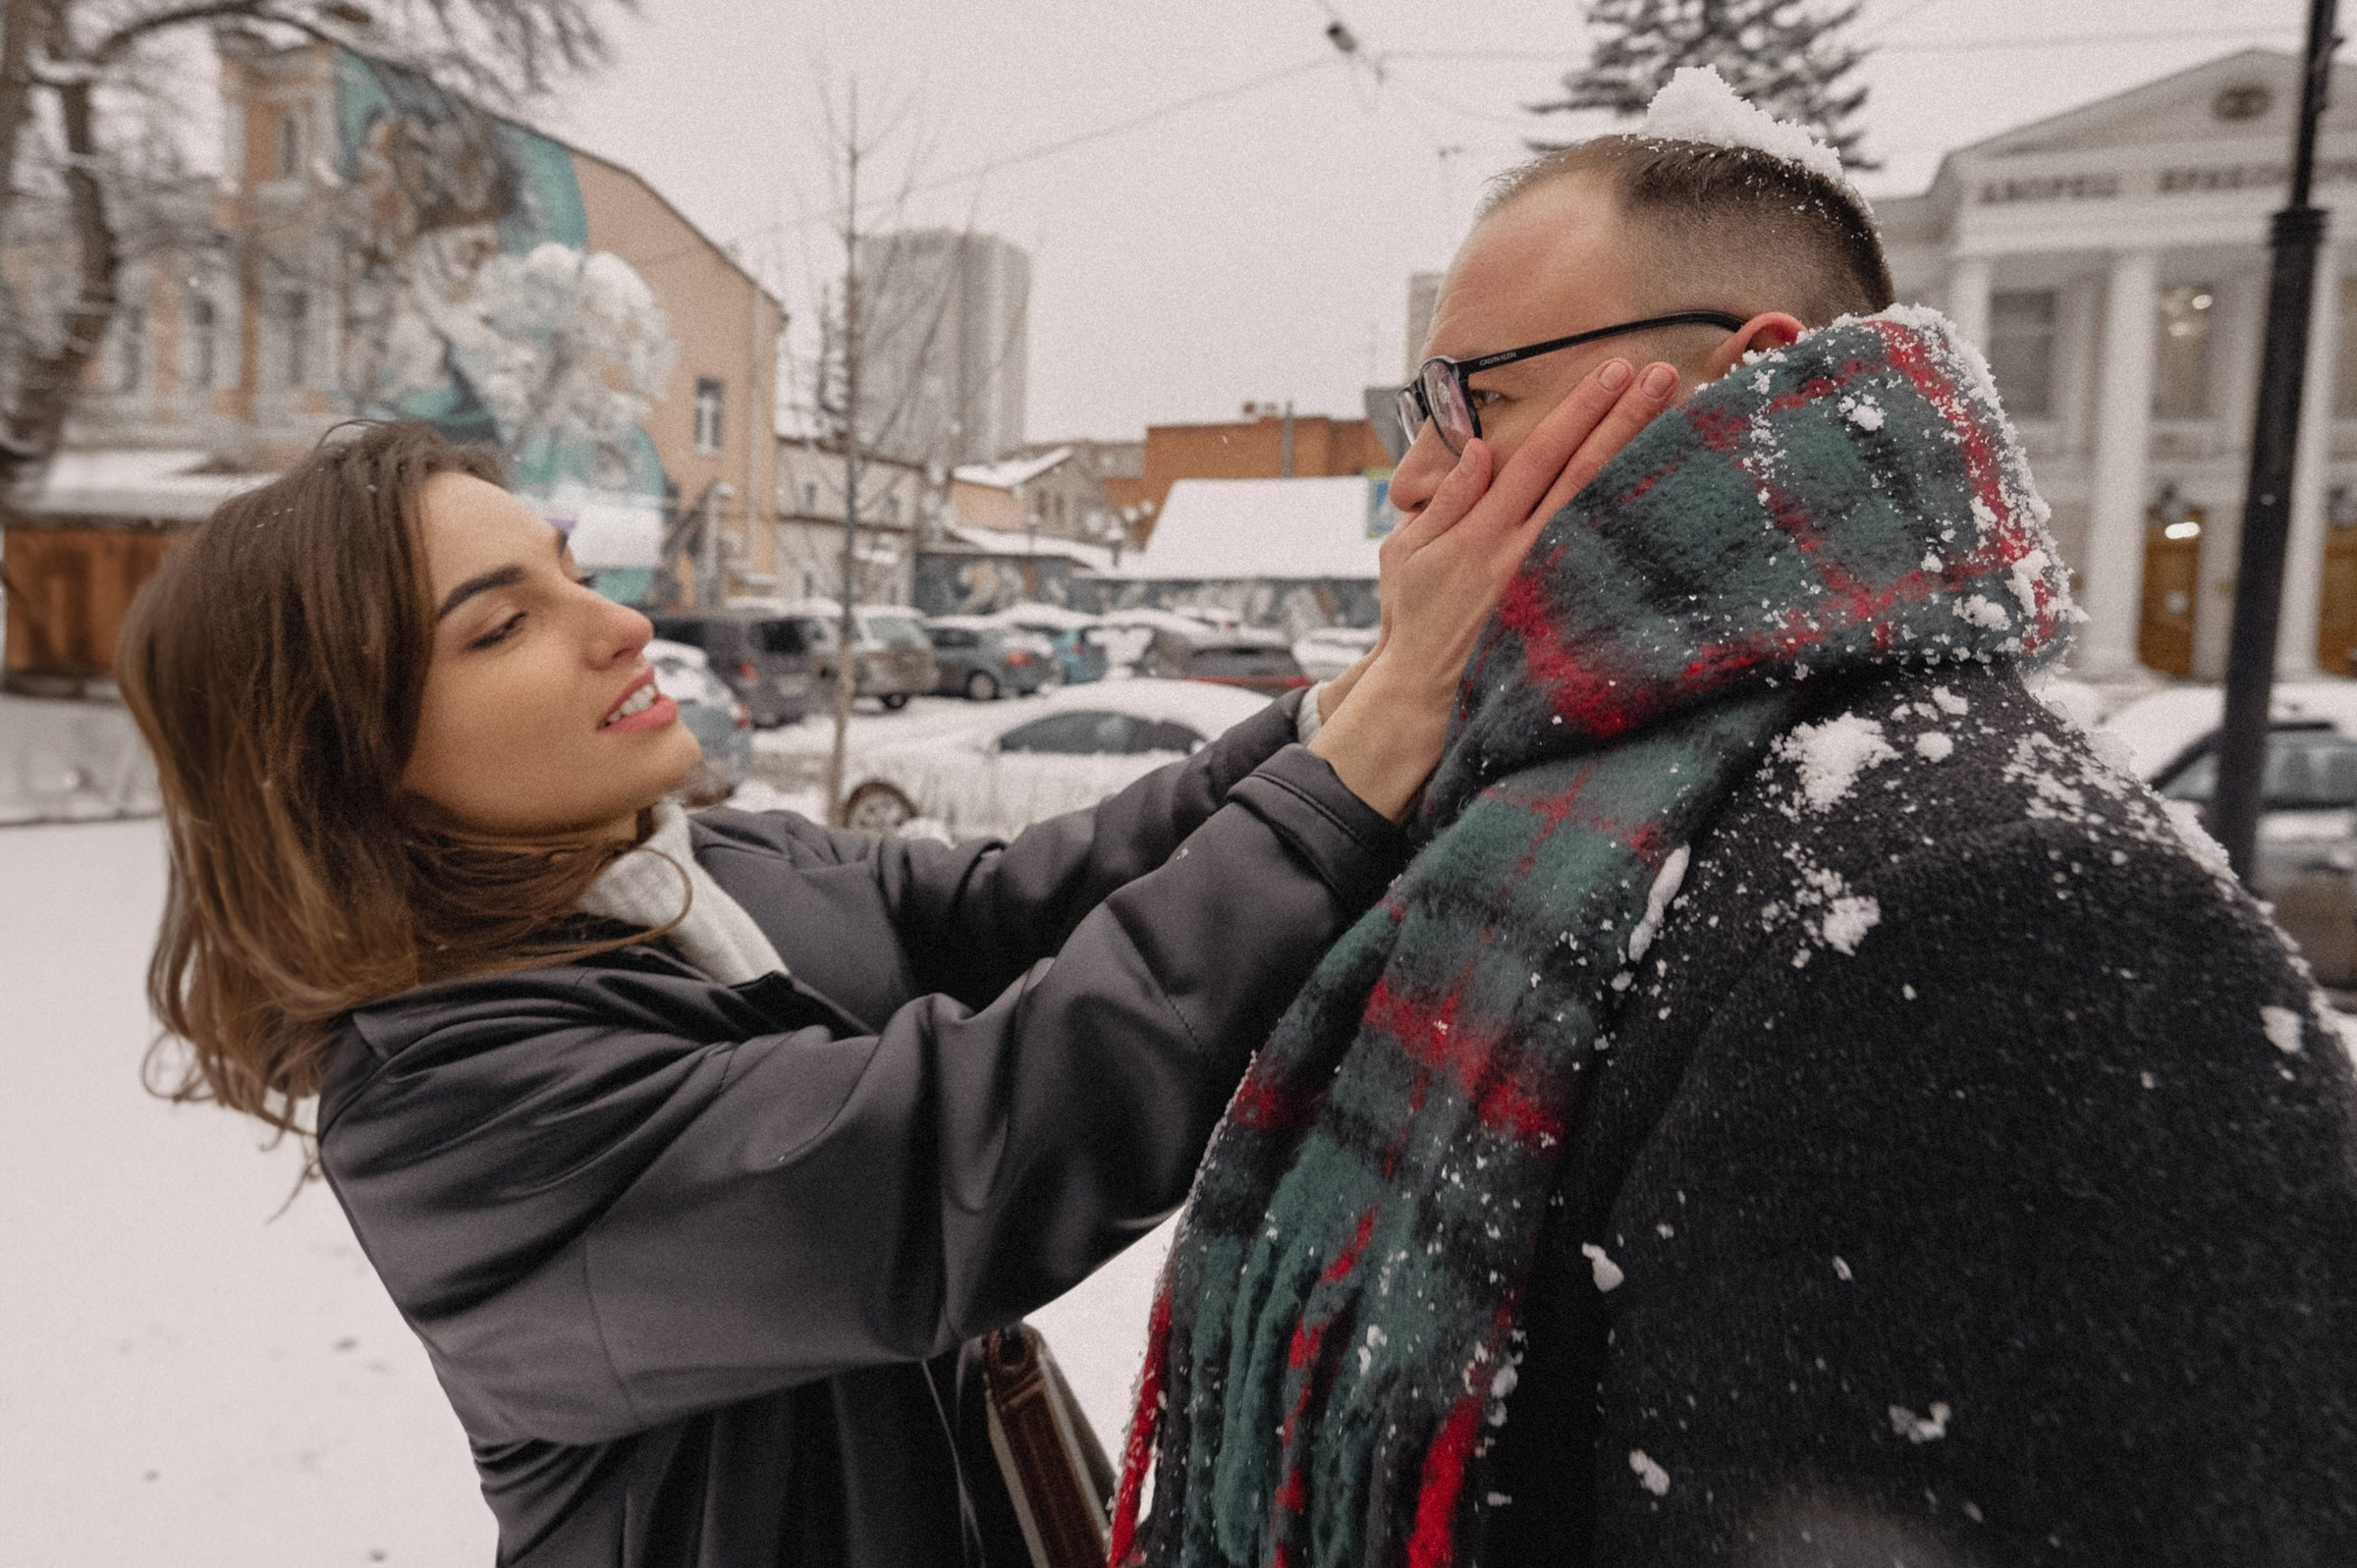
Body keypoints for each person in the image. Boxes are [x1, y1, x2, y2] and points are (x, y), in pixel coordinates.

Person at [112, 375, 1678, 1568]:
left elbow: (1032, 906)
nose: (619, 623)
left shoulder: (712, 870)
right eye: (501, 624)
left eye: (572, 568)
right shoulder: (457, 1111)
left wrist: (1355, 706)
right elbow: (969, 1148)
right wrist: (1377, 742)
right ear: (346, 759)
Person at [1115, 76, 2357, 1568]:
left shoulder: (2002, 914)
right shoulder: (1551, 811)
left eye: (1474, 398)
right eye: (1414, 409)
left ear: (1749, 388)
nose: (1416, 472)